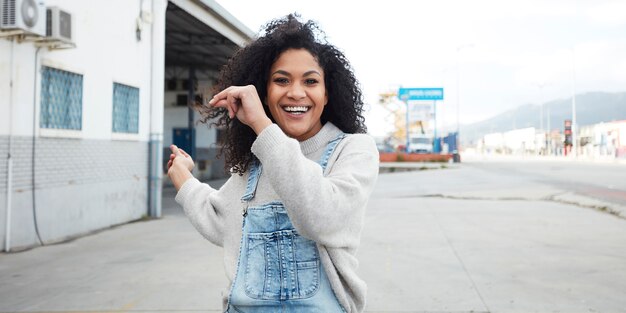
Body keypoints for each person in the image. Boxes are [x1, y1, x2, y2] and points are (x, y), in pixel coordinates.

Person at [167, 14, 378, 313]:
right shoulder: (257, 159)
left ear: (327, 92)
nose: (295, 92)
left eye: (311, 81)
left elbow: (321, 217)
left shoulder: (354, 150)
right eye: (281, 80)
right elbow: (222, 222)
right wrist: (184, 180)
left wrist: (263, 127)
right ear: (264, 93)